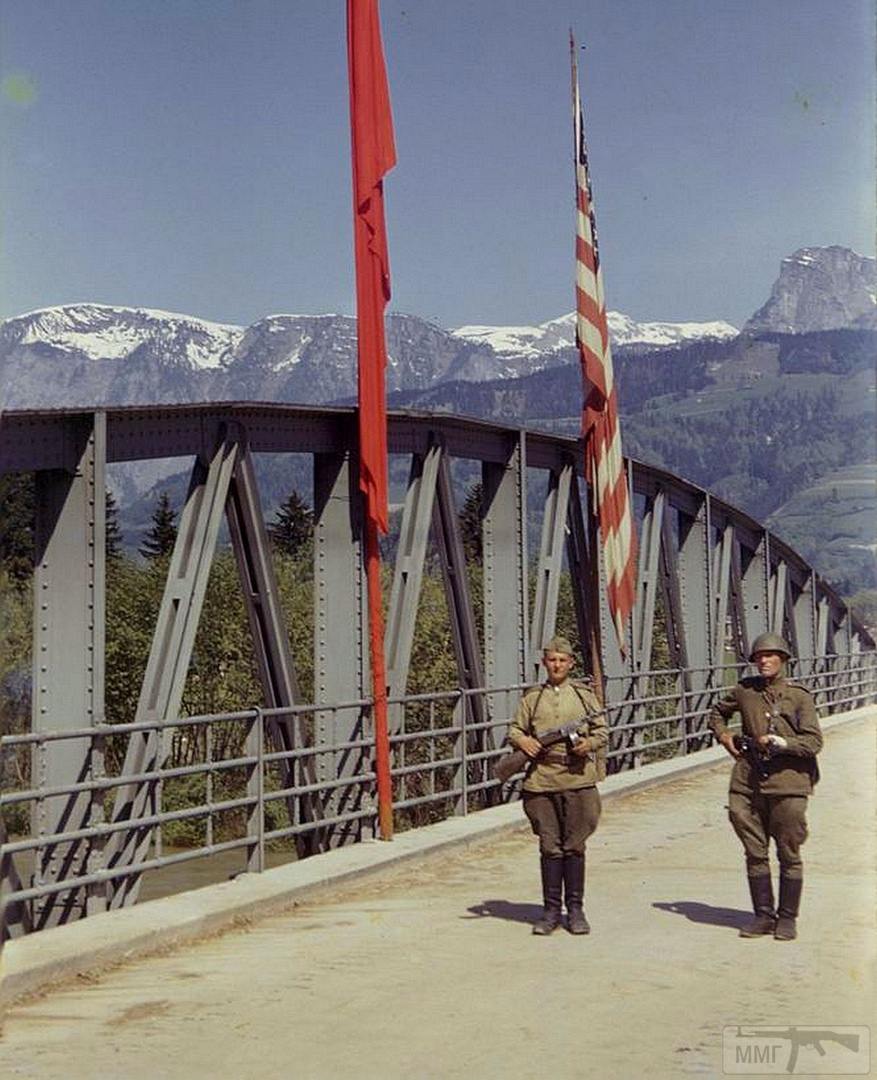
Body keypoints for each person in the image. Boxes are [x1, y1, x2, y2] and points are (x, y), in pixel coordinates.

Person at [708, 632, 822, 941]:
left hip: (789, 783)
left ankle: (787, 918)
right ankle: (762, 916)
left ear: (783, 659)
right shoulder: (745, 691)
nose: (764, 660)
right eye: (759, 656)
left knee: (788, 851)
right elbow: (717, 712)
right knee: (754, 851)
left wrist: (783, 743)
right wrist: (725, 736)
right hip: (748, 781)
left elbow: (814, 741)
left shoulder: (799, 696)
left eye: (771, 655)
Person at [507, 636, 607, 936]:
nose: (557, 665)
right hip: (541, 782)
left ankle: (575, 910)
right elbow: (515, 728)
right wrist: (523, 740)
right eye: (552, 660)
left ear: (571, 664)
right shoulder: (532, 698)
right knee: (550, 848)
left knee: (575, 847)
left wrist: (587, 744)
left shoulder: (584, 697)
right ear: (545, 663)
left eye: (562, 660)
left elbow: (603, 731)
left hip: (577, 778)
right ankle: (550, 911)